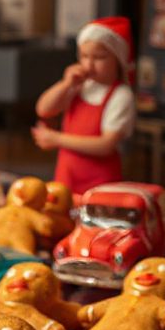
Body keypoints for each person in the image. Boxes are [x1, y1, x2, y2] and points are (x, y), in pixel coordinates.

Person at [31, 16, 136, 196]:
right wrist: (65, 84)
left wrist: (56, 139)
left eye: (99, 58)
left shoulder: (121, 96)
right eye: (84, 56)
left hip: (100, 184)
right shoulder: (79, 85)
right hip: (66, 178)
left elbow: (106, 145)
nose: (89, 64)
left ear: (117, 59)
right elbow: (44, 109)